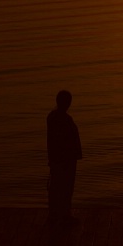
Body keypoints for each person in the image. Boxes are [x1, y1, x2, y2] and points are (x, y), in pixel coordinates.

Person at [47, 90, 82, 225]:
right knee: (65, 187)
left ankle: (56, 213)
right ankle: (63, 214)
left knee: (56, 187)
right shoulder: (64, 119)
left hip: (58, 158)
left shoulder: (52, 117)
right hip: (65, 159)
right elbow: (63, 140)